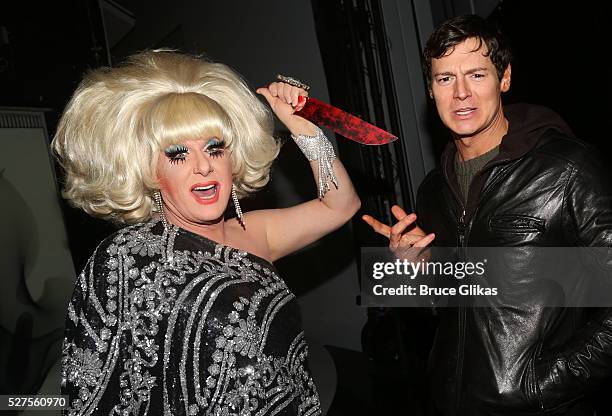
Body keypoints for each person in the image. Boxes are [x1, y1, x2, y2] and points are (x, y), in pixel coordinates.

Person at [53, 50, 360, 415]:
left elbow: (341, 205)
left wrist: (301, 125)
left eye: (215, 148)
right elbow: (97, 386)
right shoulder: (125, 259)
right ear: (149, 171)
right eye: (178, 154)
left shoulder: (253, 232)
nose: (203, 167)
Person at [363, 14, 612, 416]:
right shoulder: (432, 191)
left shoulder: (566, 170)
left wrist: (541, 385)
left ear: (505, 78)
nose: (461, 93)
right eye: (445, 79)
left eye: (476, 74)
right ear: (431, 89)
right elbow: (448, 308)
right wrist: (413, 275)